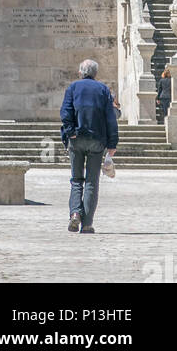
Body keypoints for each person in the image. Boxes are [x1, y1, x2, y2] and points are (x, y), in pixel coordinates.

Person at [60, 59, 118, 234]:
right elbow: (110, 118)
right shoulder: (103, 90)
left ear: (80, 72)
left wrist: (70, 132)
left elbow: (65, 112)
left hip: (76, 139)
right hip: (96, 140)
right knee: (92, 181)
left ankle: (75, 214)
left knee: (76, 179)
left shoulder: (73, 88)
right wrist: (112, 143)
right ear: (95, 74)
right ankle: (87, 224)